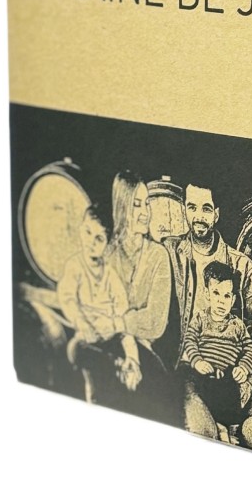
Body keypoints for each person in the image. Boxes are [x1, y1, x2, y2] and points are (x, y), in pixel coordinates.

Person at [163, 182, 252, 454]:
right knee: (204, 433)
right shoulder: (170, 253)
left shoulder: (242, 266)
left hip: (237, 371)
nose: (198, 216)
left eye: (206, 209)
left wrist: (250, 377)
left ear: (216, 214)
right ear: (184, 209)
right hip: (192, 372)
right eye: (192, 207)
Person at [75, 170, 176, 424]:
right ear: (121, 208)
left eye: (147, 203)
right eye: (136, 204)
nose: (145, 212)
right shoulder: (107, 252)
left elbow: (155, 322)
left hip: (147, 353)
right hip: (109, 346)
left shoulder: (159, 256)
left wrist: (118, 323)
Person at [57, 204, 141, 398]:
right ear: (81, 229)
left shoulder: (111, 276)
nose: (91, 242)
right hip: (87, 338)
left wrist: (132, 357)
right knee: (75, 349)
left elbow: (123, 320)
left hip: (111, 338)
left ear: (108, 244)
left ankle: (126, 367)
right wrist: (83, 324)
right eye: (87, 232)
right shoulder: (75, 266)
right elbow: (68, 299)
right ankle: (115, 366)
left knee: (135, 360)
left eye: (99, 238)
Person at [180, 261, 252, 436]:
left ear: (233, 299)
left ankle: (229, 431)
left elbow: (250, 349)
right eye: (216, 293)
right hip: (203, 373)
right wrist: (197, 360)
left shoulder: (237, 325)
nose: (221, 301)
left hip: (226, 376)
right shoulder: (200, 318)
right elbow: (190, 339)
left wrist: (243, 368)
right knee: (193, 388)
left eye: (226, 296)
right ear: (207, 294)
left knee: (231, 395)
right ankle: (216, 428)